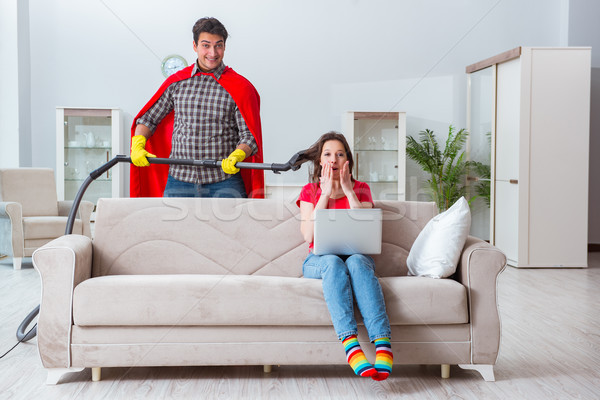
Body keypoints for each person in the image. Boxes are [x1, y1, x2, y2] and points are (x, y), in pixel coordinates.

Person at [130, 17, 264, 198]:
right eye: (206, 45)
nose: (213, 52)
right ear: (195, 46)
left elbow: (249, 136)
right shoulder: (177, 83)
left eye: (219, 45)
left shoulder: (240, 88)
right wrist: (138, 144)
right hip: (179, 181)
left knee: (233, 227)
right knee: (172, 227)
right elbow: (148, 119)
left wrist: (238, 154)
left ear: (225, 47)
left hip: (224, 182)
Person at [296, 131, 393, 381]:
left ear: (347, 160)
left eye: (340, 154)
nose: (334, 160)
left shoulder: (361, 190)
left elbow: (365, 231)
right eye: (327, 154)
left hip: (354, 260)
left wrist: (349, 193)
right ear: (320, 161)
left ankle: (382, 345)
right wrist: (325, 194)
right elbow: (308, 236)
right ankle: (351, 346)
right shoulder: (310, 191)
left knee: (358, 261)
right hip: (319, 263)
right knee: (331, 261)